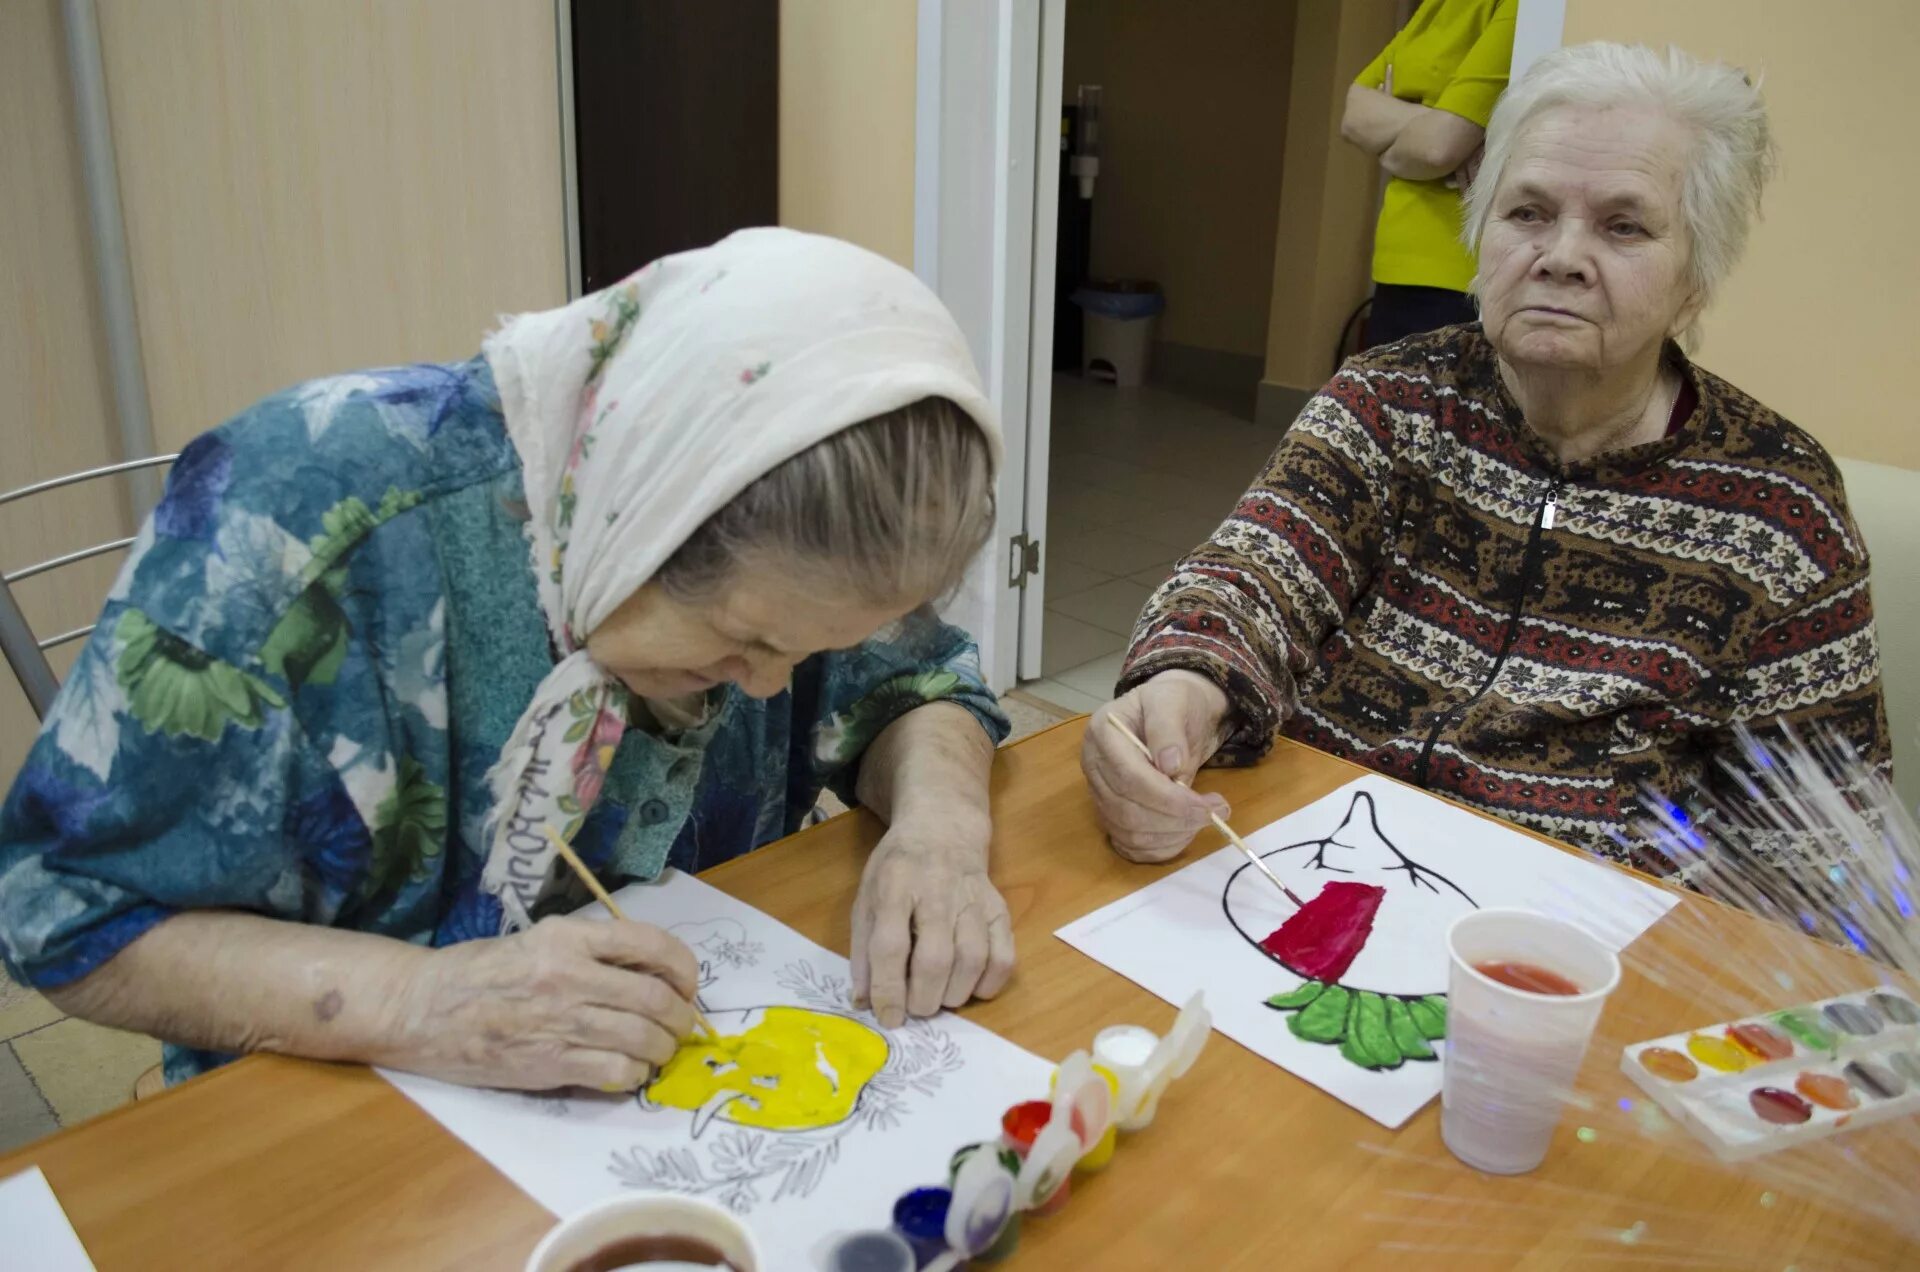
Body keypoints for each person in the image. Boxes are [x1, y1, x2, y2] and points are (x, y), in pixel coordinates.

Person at [0, 229, 1016, 1091]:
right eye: (747, 643)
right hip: (342, 1121)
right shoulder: (298, 522)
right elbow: (63, 917)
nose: (765, 686)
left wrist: (939, 828)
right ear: (639, 516)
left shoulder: (798, 546)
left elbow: (917, 689)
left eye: (812, 651)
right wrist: (427, 1002)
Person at [1083, 44, 1889, 870]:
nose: (1561, 256)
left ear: (1696, 279)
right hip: (1312, 851)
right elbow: (1253, 573)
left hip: (1578, 938)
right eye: (1528, 212)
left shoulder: (1778, 507)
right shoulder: (1391, 399)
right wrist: (1186, 682)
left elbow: (1819, 840)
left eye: (1624, 225)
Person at [1342, 0, 1516, 347]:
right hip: (1393, 266)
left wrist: (1404, 123)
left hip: (1458, 279)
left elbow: (1438, 148)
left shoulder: (1519, 7)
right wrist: (1435, 121)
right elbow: (1353, 115)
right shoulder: (1435, 7)